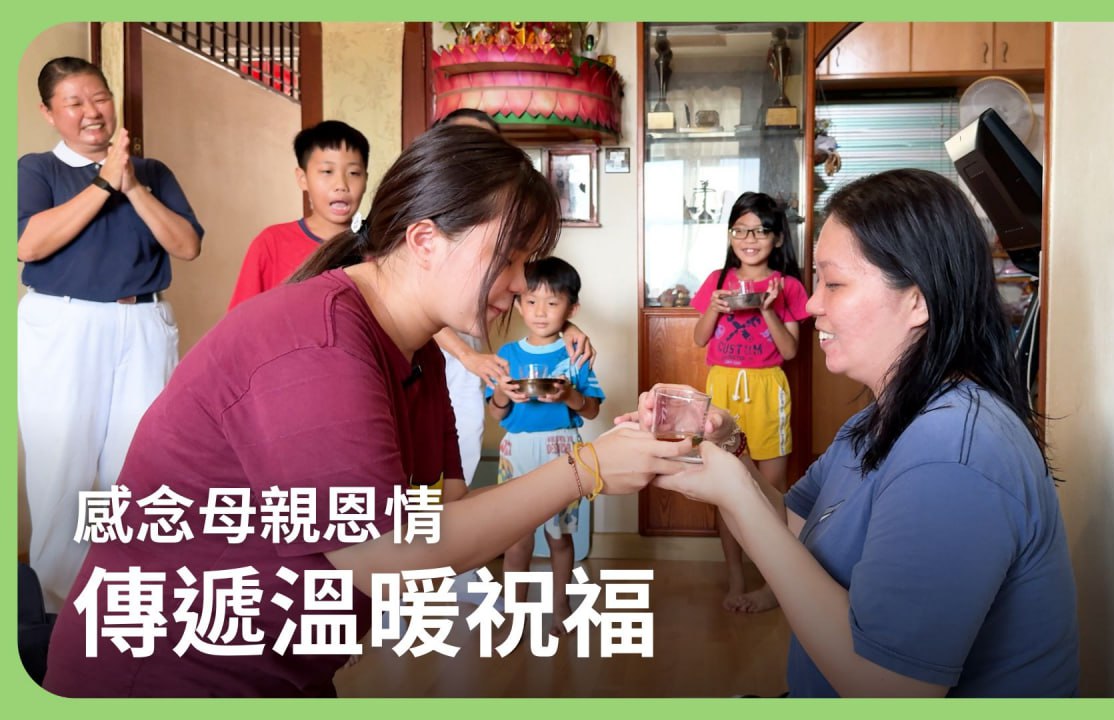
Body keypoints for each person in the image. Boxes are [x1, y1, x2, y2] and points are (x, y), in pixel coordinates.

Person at [41, 125, 691, 697]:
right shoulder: (320, 342)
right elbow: (385, 560)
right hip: (164, 677)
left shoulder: (418, 351)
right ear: (425, 239)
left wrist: (600, 461)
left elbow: (443, 515)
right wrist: (586, 470)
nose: (523, 284)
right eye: (512, 257)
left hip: (279, 673)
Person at [645, 168, 1079, 697]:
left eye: (834, 283)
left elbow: (889, 690)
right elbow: (793, 524)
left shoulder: (953, 456)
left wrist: (734, 491)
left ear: (918, 300)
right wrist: (730, 449)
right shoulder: (879, 419)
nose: (812, 305)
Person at [17, 56, 204, 612]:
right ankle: (57, 613)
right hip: (64, 325)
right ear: (49, 113)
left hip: (143, 322)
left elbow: (187, 245)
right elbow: (29, 244)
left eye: (99, 97)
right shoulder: (37, 170)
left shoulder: (153, 172)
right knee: (62, 468)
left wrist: (133, 185)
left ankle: (130, 600)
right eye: (74, 103)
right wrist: (104, 182)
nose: (92, 111)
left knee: (141, 464)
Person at [433, 107, 595, 487]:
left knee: (459, 464)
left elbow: (532, 288)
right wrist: (467, 356)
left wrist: (564, 327)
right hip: (441, 362)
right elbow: (418, 305)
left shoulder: (499, 218)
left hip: (467, 367)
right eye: (465, 147)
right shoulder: (429, 216)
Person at [691, 191, 809, 612]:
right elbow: (700, 339)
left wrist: (768, 310)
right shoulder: (717, 281)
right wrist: (714, 309)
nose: (749, 239)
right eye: (740, 230)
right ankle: (736, 577)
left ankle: (775, 582)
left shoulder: (787, 286)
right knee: (728, 486)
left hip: (766, 389)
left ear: (778, 238)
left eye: (760, 231)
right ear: (730, 236)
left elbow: (790, 351)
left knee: (770, 490)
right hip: (722, 388)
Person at [485, 257, 604, 636]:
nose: (540, 312)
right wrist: (503, 395)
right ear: (519, 304)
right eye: (531, 301)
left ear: (572, 309)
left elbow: (592, 409)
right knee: (516, 542)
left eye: (552, 303)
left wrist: (569, 396)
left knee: (559, 537)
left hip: (563, 452)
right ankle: (514, 613)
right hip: (517, 452)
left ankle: (561, 605)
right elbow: (496, 413)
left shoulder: (576, 354)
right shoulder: (507, 355)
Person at [226, 120, 370, 310]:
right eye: (327, 171)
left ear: (366, 180)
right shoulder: (271, 243)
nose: (341, 185)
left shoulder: (379, 245)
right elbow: (242, 319)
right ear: (303, 179)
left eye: (354, 173)